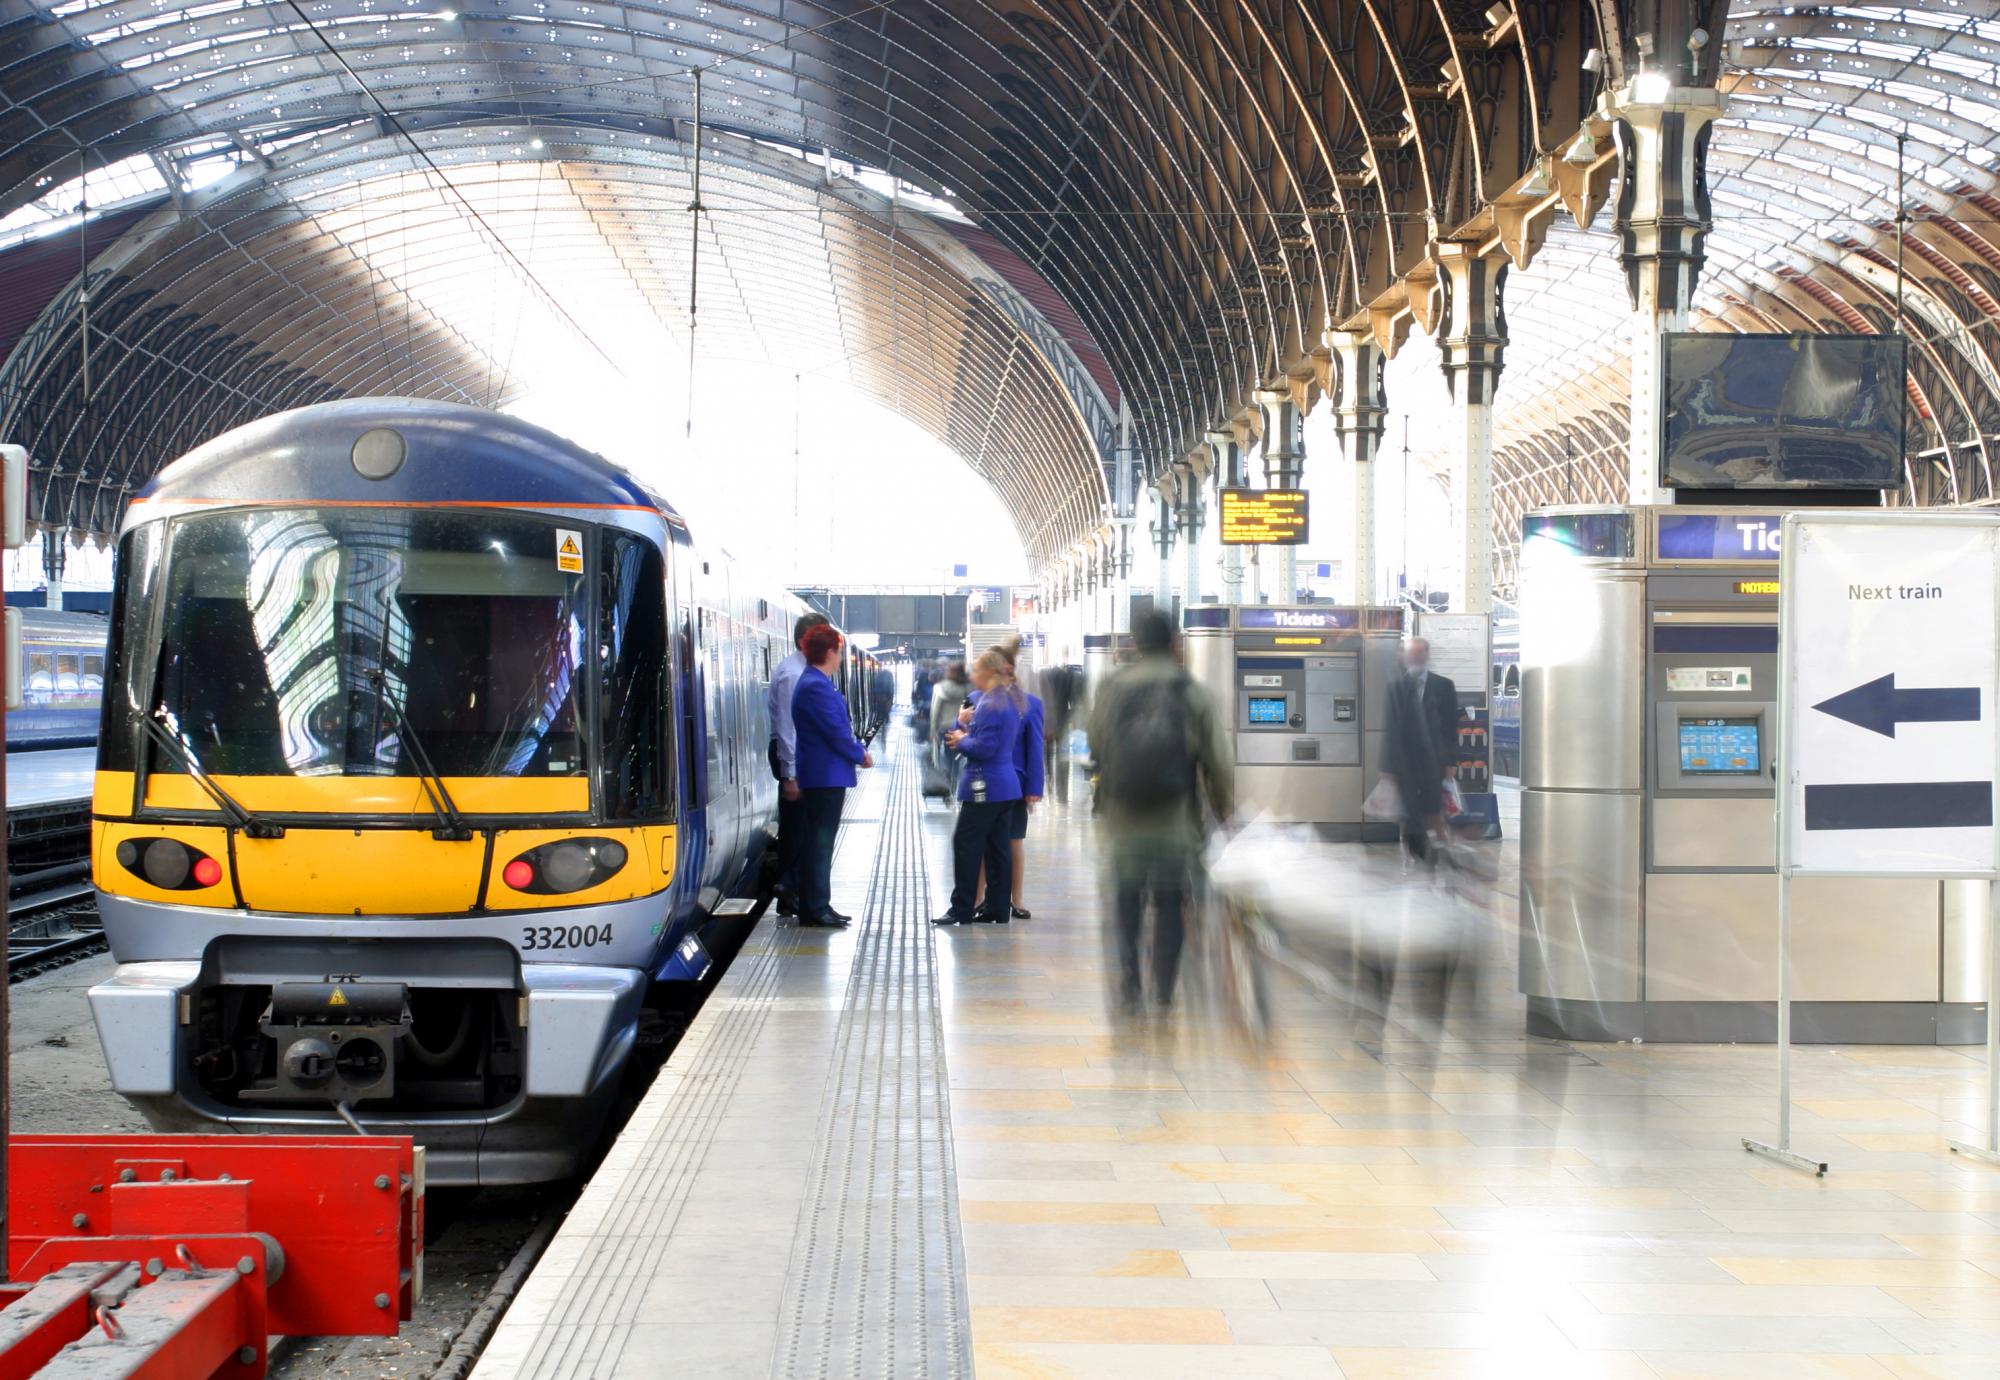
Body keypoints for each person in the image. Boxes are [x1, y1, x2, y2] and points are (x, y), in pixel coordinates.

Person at [1088, 609, 1232, 1012]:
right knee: (1171, 903)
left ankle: (1130, 981)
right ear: (1174, 642)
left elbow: (1097, 746)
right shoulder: (1190, 689)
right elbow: (1218, 761)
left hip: (1123, 821)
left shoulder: (1112, 688)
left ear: (1134, 642)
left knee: (1127, 900)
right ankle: (1164, 989)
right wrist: (1223, 809)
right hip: (1175, 821)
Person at [934, 647, 1025, 926]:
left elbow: (985, 748)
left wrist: (961, 739)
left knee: (965, 844)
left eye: (976, 669)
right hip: (1005, 786)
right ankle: (998, 909)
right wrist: (964, 729)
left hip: (983, 785)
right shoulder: (1007, 700)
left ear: (988, 673)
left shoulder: (989, 704)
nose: (971, 674)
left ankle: (961, 908)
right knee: (998, 849)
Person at [790, 623, 873, 926]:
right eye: (838, 652)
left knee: (820, 842)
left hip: (823, 774)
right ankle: (815, 908)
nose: (840, 658)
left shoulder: (816, 682)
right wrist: (859, 754)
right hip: (824, 776)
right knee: (820, 843)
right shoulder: (815, 686)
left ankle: (819, 904)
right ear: (829, 652)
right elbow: (835, 732)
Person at [767, 611, 831, 916]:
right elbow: (788, 728)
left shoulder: (803, 669)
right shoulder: (794, 674)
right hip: (793, 756)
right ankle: (790, 889)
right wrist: (790, 774)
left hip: (800, 756)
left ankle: (796, 890)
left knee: (802, 826)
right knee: (796, 828)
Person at [977, 640, 1042, 920]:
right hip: (984, 782)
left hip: (1014, 783)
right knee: (983, 840)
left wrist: (1034, 788)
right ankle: (980, 897)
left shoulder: (1031, 705)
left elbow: (1035, 748)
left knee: (1013, 840)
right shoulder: (977, 699)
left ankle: (1016, 898)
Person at [1380, 636, 1458, 862]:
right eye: (1410, 654)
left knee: (1434, 812)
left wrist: (1451, 762)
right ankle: (1419, 856)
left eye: (1419, 653)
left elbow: (1451, 727)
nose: (1414, 658)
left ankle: (1444, 857)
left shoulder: (1444, 686)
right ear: (1404, 657)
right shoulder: (1395, 688)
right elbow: (1391, 729)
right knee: (1410, 815)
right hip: (1405, 764)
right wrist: (1387, 767)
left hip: (1435, 763)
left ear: (1426, 655)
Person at [1039, 663, 1080, 804]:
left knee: (1047, 754)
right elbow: (1073, 701)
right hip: (1063, 719)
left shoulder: (1044, 675)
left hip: (1046, 719)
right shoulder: (1069, 677)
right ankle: (1062, 794)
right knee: (1062, 757)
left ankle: (1048, 780)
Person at [929, 661, 969, 780]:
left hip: (944, 727)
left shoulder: (940, 687)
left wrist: (932, 731)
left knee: (945, 755)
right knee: (956, 757)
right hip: (960, 727)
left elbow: (935, 711)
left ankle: (947, 780)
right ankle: (954, 781)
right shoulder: (967, 687)